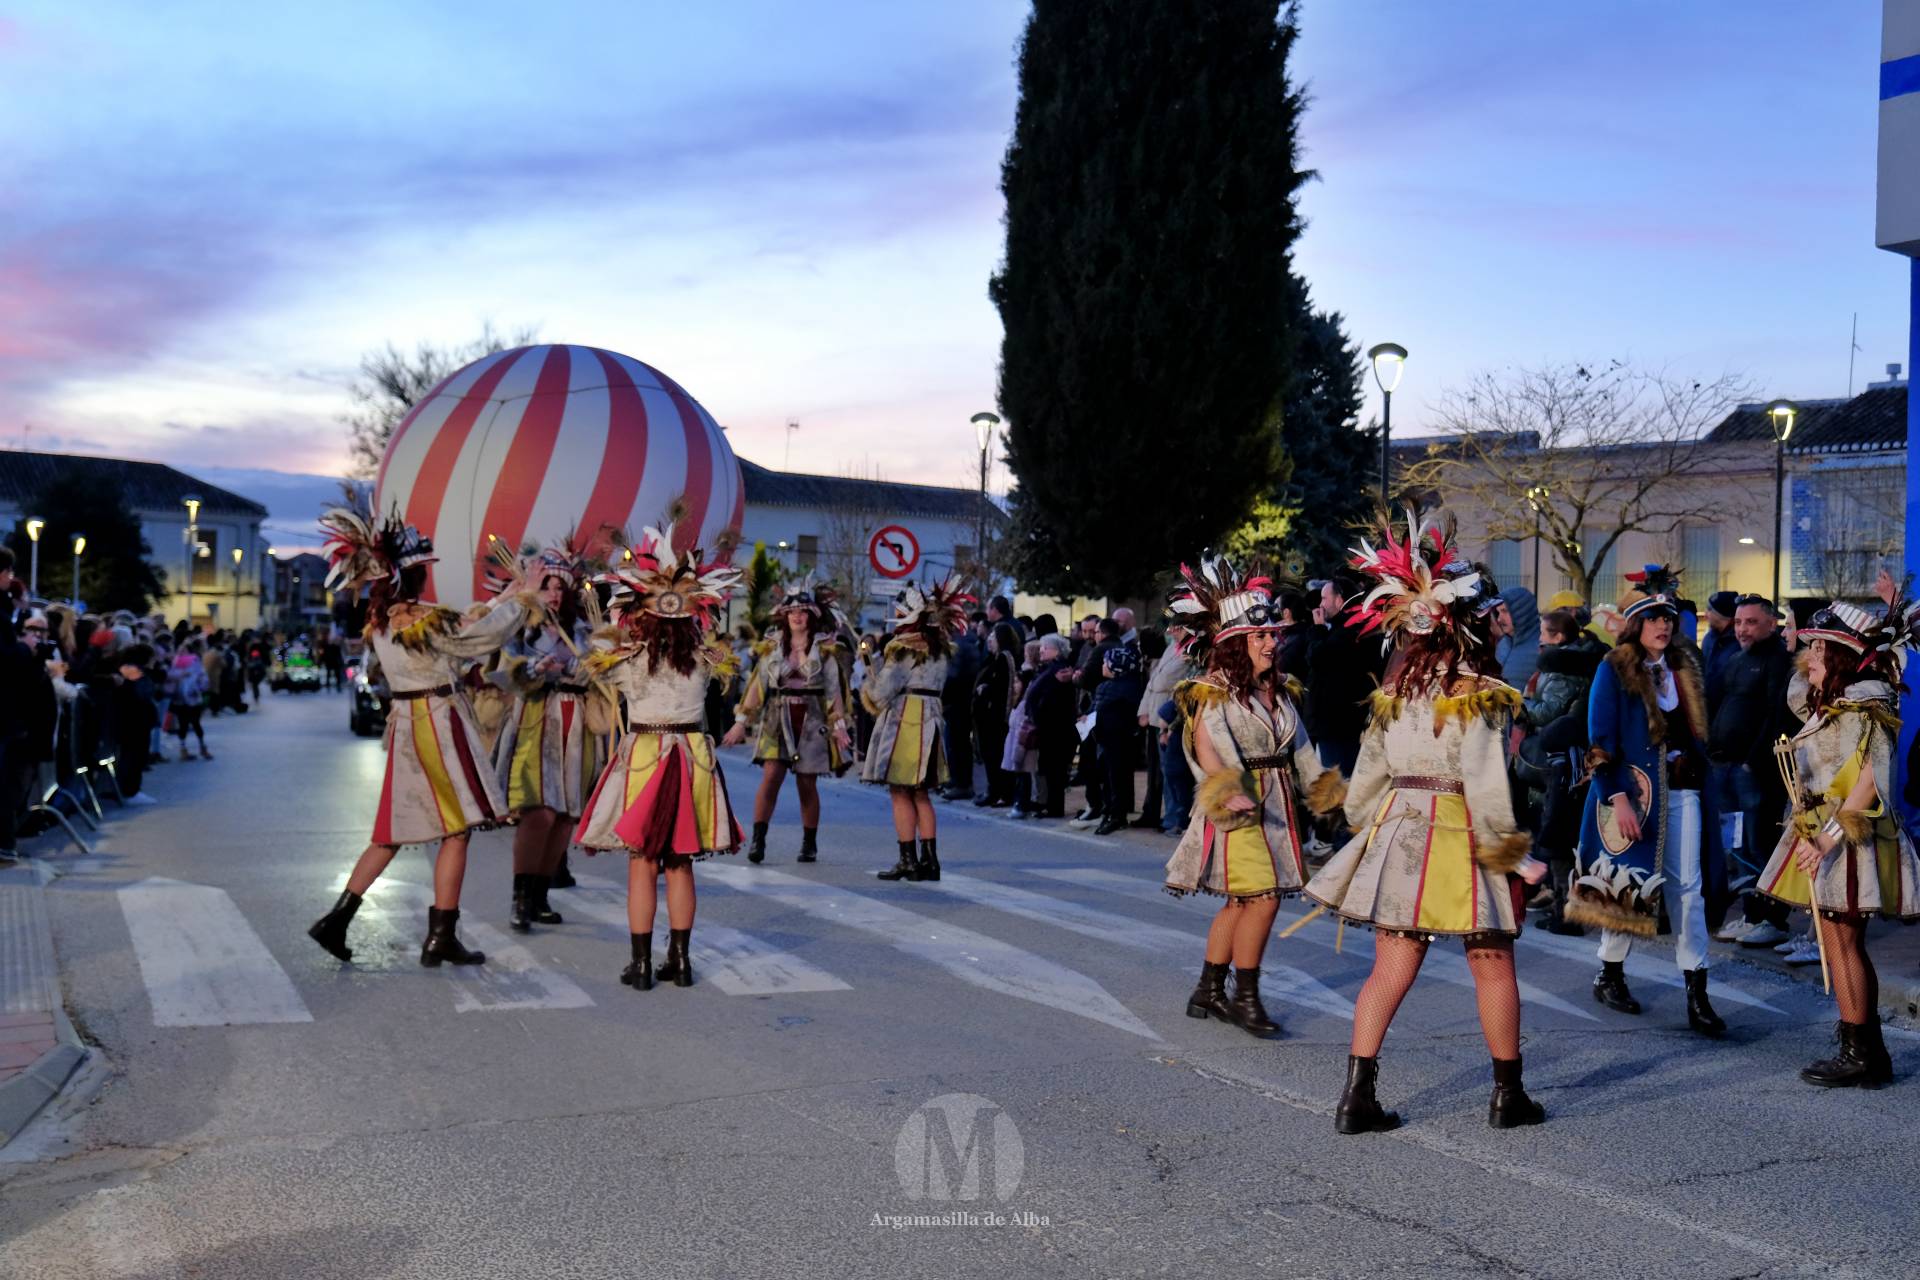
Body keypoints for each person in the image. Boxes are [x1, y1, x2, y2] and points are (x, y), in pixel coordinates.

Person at [1306, 508, 1549, 1133]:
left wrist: (1366, 827)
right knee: (1492, 963)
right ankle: (1507, 1096)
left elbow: (1365, 784)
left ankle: (1355, 1097)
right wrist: (1518, 855)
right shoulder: (1478, 691)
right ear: (1468, 625)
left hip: (1400, 832)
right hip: (1463, 833)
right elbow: (1486, 781)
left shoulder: (1394, 693)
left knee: (1388, 970)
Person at [305, 505, 533, 968]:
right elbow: (473, 641)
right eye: (423, 570)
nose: (428, 577)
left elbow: (460, 631)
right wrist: (520, 600)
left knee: (390, 833)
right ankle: (440, 935)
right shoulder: (418, 620)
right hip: (437, 723)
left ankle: (337, 920)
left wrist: (505, 596)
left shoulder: (389, 618)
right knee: (456, 829)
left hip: (410, 724)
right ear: (410, 575)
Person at [1165, 557, 1347, 1039]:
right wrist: (1230, 791)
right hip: (1237, 806)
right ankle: (1245, 999)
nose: (1272, 642)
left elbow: (1303, 750)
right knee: (1262, 899)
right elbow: (1207, 748)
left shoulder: (1281, 693)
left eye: (1273, 635)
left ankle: (1208, 989)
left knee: (1242, 904)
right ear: (1235, 644)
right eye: (1260, 636)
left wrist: (1331, 796)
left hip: (1276, 802)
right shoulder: (1212, 693)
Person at [1751, 590, 1919, 1086]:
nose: (1811, 656)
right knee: (1838, 941)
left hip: (1849, 837)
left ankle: (1862, 1054)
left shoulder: (1867, 704)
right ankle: (1863, 1049)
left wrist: (1826, 838)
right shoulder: (1840, 701)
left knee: (1843, 942)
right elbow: (1798, 695)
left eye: (1821, 649)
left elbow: (1871, 780)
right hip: (1831, 832)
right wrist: (1814, 662)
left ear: (1843, 654)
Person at [573, 522, 744, 990]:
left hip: (646, 754)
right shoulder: (708, 659)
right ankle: (682, 962)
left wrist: (612, 618)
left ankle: (642, 964)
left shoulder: (628, 659)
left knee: (642, 863)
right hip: (691, 754)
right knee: (680, 862)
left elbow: (595, 655)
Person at [1566, 565, 1725, 1036]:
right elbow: (1599, 741)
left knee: (1688, 890)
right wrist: (1617, 799)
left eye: (1669, 618)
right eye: (1654, 618)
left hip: (1684, 791)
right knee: (1627, 884)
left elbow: (1697, 735)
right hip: (1634, 794)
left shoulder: (1685, 668)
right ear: (1636, 624)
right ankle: (1610, 972)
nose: (1663, 625)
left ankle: (1697, 993)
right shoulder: (1613, 669)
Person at [491, 543, 602, 933]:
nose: (554, 594)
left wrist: (583, 668)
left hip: (577, 726)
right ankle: (520, 898)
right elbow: (504, 669)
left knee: (566, 814)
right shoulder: (520, 627)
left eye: (560, 587)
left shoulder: (584, 629)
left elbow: (599, 672)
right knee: (539, 811)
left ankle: (540, 896)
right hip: (537, 719)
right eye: (547, 586)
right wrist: (538, 666)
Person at [723, 575, 852, 864]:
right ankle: (758, 840)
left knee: (807, 784)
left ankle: (809, 843)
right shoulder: (772, 647)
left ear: (812, 616)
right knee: (771, 778)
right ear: (784, 615)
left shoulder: (826, 648)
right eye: (791, 611)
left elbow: (834, 691)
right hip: (776, 717)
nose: (796, 616)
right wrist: (741, 722)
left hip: (812, 719)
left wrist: (840, 725)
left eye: (802, 611)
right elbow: (757, 687)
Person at [862, 578, 973, 881]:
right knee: (922, 794)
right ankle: (930, 860)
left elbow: (881, 693)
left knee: (900, 790)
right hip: (932, 718)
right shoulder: (941, 648)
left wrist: (867, 679)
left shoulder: (902, 648)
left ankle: (907, 859)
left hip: (905, 720)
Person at [1707, 594, 1796, 949]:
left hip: (1755, 771)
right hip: (1723, 766)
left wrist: (1752, 761)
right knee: (1739, 846)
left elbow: (1776, 716)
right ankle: (1751, 914)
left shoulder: (1779, 661)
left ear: (1770, 624)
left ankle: (1772, 918)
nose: (1743, 629)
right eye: (1740, 622)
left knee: (1762, 845)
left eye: (1751, 622)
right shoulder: (1736, 660)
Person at [1091, 642, 1144, 834]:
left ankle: (1116, 814)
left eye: (1106, 663)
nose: (1103, 666)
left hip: (1117, 739)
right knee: (1109, 776)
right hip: (1108, 738)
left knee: (1117, 778)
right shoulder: (1111, 686)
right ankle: (1110, 811)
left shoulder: (1124, 689)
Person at [971, 621, 1023, 808]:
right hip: (990, 717)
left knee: (996, 757)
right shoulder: (995, 658)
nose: (990, 640)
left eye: (993, 637)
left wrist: (985, 689)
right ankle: (994, 791)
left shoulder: (1004, 659)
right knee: (991, 757)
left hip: (996, 718)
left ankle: (1001, 793)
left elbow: (1002, 688)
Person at [165, 639, 213, 760]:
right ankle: (183, 749)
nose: (181, 652)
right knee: (183, 724)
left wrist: (202, 687)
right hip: (180, 698)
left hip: (193, 697)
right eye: (179, 650)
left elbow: (202, 677)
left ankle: (202, 747)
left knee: (196, 723)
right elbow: (170, 677)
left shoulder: (195, 662)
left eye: (184, 650)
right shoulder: (175, 664)